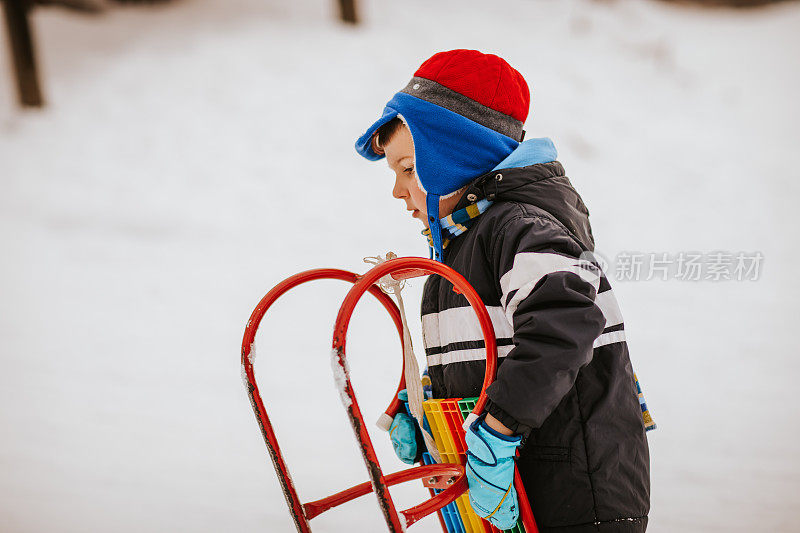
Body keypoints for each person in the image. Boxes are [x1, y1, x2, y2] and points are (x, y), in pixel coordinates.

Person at [355, 49, 651, 533]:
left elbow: (564, 323)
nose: (397, 191)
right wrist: (425, 401)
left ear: (456, 158)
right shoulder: (459, 253)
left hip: (575, 494)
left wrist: (496, 432)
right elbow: (486, 354)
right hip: (519, 495)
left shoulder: (521, 229)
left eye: (409, 169)